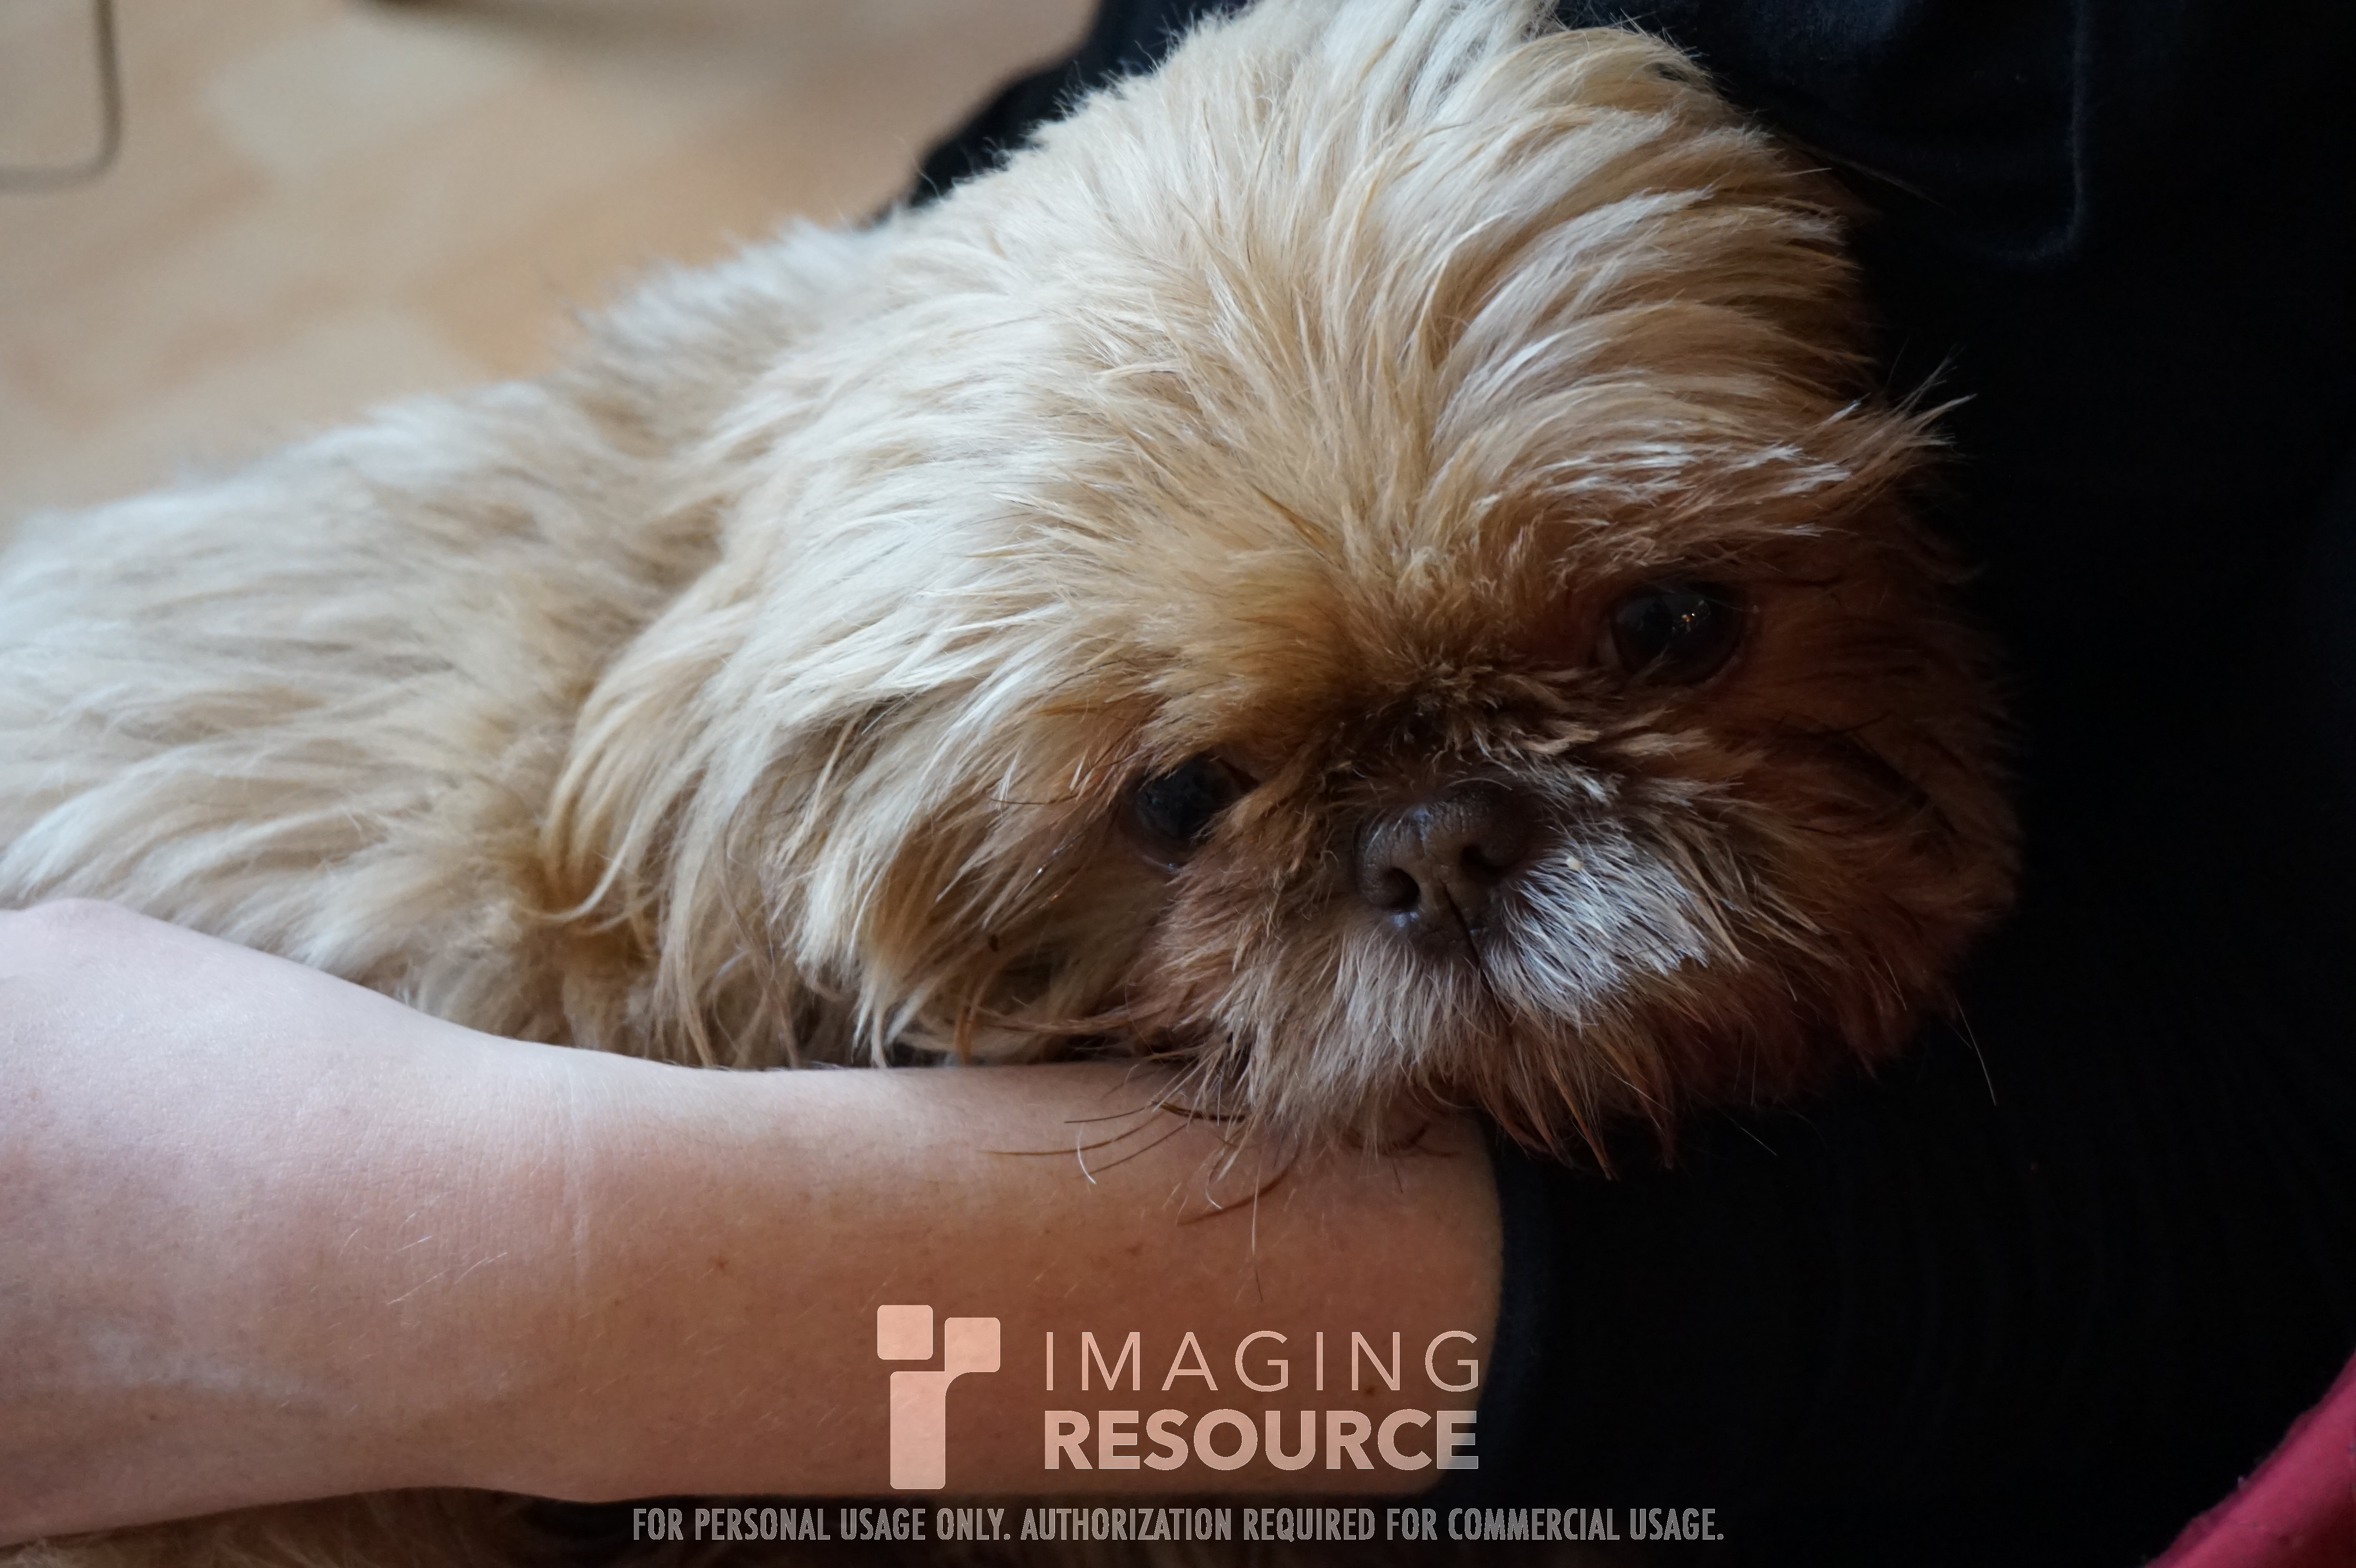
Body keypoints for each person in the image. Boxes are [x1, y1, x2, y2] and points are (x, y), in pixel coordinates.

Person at [5, 1, 2355, 1564]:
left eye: (1658, 629)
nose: (1455, 855)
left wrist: (479, 1271)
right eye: (1187, 802)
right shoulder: (806, 785)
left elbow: (2240, 1196)